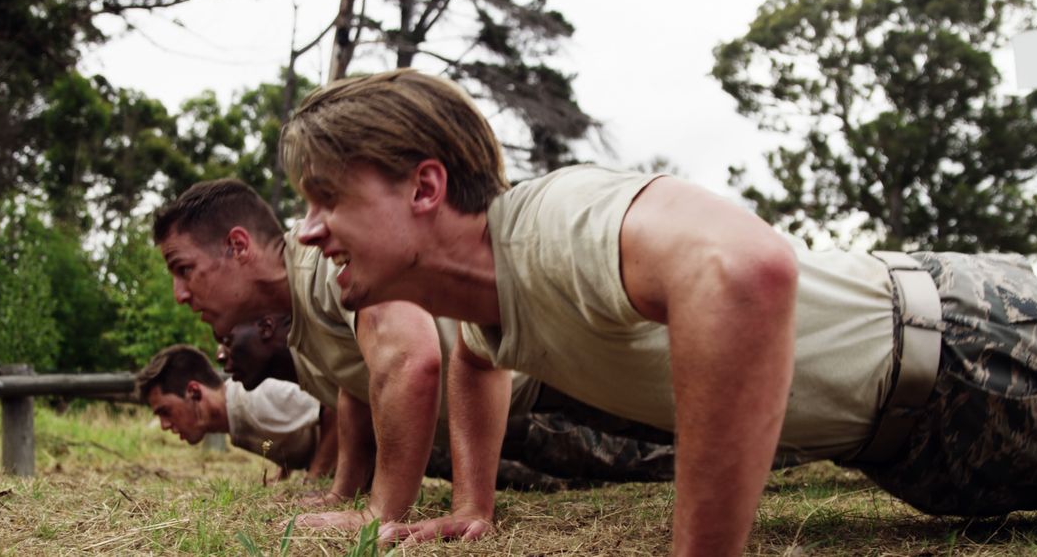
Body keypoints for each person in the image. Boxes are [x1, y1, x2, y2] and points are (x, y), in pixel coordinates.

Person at [277, 68, 1037, 556]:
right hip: (923, 463)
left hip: (981, 346)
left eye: (327, 199)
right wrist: (475, 505)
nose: (308, 232)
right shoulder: (485, 304)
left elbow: (747, 268)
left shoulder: (554, 220)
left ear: (424, 189)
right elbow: (478, 359)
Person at [152, 179, 676, 530]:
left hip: (541, 374)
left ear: (238, 246)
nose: (180, 293)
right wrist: (343, 491)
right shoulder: (299, 312)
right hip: (516, 390)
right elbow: (358, 387)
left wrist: (382, 511)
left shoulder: (323, 263)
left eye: (183, 269)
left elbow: (411, 358)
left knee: (708, 424)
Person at [221, 311, 677, 491]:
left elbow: (341, 413)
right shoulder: (306, 364)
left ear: (265, 329)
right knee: (581, 467)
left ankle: (728, 456)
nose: (222, 357)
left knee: (630, 433)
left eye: (225, 339)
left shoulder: (313, 343)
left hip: (509, 394)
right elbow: (356, 401)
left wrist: (333, 482)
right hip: (462, 424)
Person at [135, 344, 337, 481]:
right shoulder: (235, 415)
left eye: (165, 411)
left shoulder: (258, 394)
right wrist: (284, 472)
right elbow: (289, 425)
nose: (164, 425)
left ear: (194, 391)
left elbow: (334, 407)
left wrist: (315, 478)